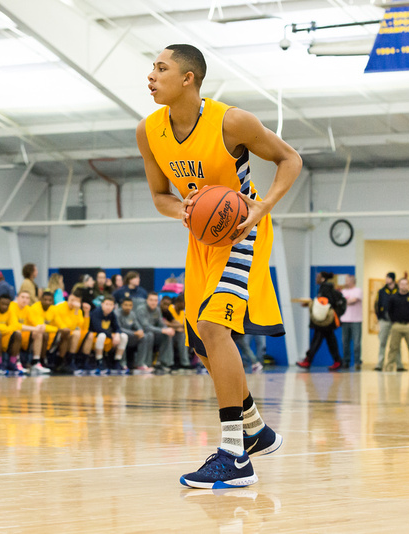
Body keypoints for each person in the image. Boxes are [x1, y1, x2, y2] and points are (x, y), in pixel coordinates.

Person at [137, 44, 298, 488]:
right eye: (152, 67)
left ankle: (235, 456)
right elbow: (160, 196)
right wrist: (184, 209)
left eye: (161, 68)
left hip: (243, 233)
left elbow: (291, 159)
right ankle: (255, 430)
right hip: (202, 238)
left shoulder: (232, 121)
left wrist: (263, 206)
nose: (151, 75)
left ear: (188, 78)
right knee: (203, 344)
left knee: (213, 328)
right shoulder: (148, 130)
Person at [296, 272, 343, 371]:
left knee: (316, 341)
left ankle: (308, 361)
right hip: (327, 323)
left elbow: (324, 303)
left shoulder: (325, 288)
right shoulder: (325, 288)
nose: (316, 279)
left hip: (324, 322)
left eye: (318, 277)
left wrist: (311, 303)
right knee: (331, 341)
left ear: (322, 279)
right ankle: (338, 361)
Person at [10, 291, 51, 375]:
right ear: (17, 298)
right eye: (22, 297)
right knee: (17, 332)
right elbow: (15, 325)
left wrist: (40, 326)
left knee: (38, 333)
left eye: (27, 298)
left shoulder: (28, 309)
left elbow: (37, 322)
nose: (25, 300)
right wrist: (35, 328)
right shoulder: (12, 307)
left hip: (24, 336)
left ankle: (36, 362)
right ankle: (17, 363)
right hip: (10, 336)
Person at [385, 278, 409, 371]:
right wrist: (393, 322)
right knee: (393, 348)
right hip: (397, 326)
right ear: (399, 285)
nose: (404, 286)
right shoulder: (393, 297)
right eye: (402, 284)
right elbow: (389, 311)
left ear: (408, 286)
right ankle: (389, 367)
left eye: (406, 284)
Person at [136, 292, 175, 374]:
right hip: (141, 333)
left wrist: (167, 329)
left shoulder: (157, 309)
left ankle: (163, 363)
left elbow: (161, 323)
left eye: (155, 300)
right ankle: (146, 364)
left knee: (167, 335)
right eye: (151, 300)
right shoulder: (141, 309)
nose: (153, 302)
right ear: (147, 300)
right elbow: (145, 327)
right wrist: (162, 330)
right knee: (150, 335)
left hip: (153, 333)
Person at [0, 294, 25, 375]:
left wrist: (3, 328)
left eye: (7, 304)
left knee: (18, 334)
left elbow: (14, 326)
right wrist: (6, 328)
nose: (4, 306)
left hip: (6, 338)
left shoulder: (11, 310)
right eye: (2, 304)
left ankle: (12, 363)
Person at [88, 295, 128, 375]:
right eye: (106, 304)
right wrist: (112, 336)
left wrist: (117, 334)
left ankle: (117, 361)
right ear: (102, 304)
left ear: (113, 306)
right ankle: (99, 361)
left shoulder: (112, 314)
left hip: (107, 338)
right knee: (102, 335)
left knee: (124, 336)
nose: (108, 307)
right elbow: (98, 329)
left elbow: (117, 327)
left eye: (111, 305)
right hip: (93, 338)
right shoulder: (96, 312)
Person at [373, 272, 397, 371]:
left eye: (388, 277)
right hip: (384, 320)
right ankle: (380, 364)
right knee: (382, 342)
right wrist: (379, 317)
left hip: (395, 321)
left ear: (392, 279)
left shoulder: (398, 290)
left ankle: (398, 365)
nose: (386, 279)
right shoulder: (382, 291)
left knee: (395, 344)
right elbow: (376, 305)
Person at [340, 274, 363, 370]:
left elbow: (353, 301)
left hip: (356, 320)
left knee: (356, 343)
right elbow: (340, 302)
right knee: (345, 342)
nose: (345, 282)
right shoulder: (343, 291)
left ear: (352, 281)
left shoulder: (358, 291)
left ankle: (357, 362)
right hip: (345, 320)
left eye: (347, 280)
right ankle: (346, 361)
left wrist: (344, 301)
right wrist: (345, 301)